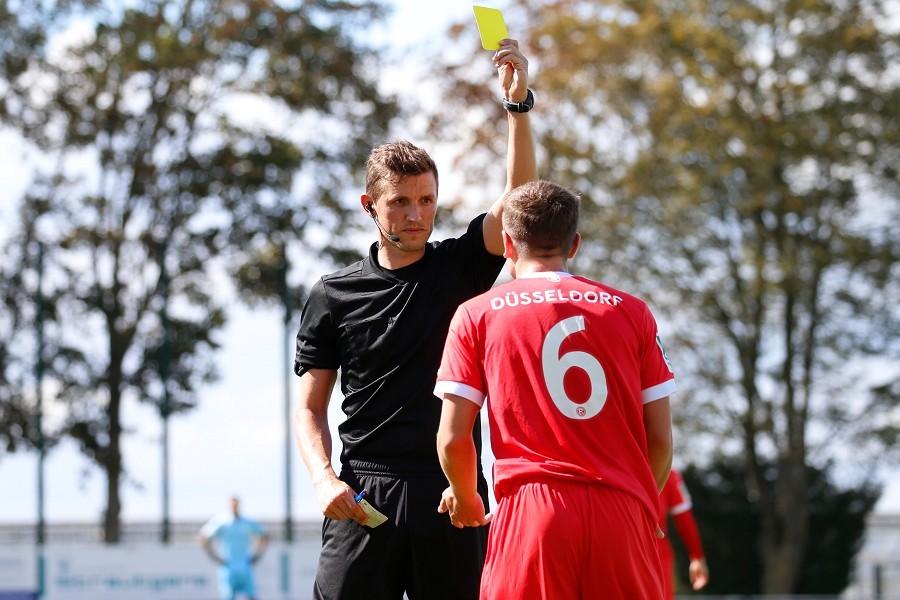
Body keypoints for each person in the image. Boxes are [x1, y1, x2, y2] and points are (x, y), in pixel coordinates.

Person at [293, 38, 536, 599]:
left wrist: (518, 109)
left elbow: (518, 201)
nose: (416, 214)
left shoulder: (459, 266)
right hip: (363, 494)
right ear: (369, 206)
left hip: (451, 489)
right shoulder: (333, 294)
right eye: (400, 202)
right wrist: (323, 480)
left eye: (426, 200)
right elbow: (309, 407)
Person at [434, 179, 675, 599]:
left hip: (533, 513)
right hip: (621, 509)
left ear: (507, 244)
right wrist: (640, 501)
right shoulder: (634, 312)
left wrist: (464, 493)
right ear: (574, 244)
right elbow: (659, 438)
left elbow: (454, 439)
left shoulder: (476, 315)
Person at [199, 496, 269, 600]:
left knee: (251, 595)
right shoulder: (222, 521)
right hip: (228, 565)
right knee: (228, 596)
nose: (234, 507)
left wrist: (257, 555)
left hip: (245, 565)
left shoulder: (247, 522)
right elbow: (203, 537)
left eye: (236, 504)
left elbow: (264, 536)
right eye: (232, 504)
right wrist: (215, 557)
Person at [658, 468, 710, 598]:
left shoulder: (603, 465)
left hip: (609, 550)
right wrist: (697, 557)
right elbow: (684, 518)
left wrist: (697, 557)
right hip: (655, 556)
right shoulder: (668, 473)